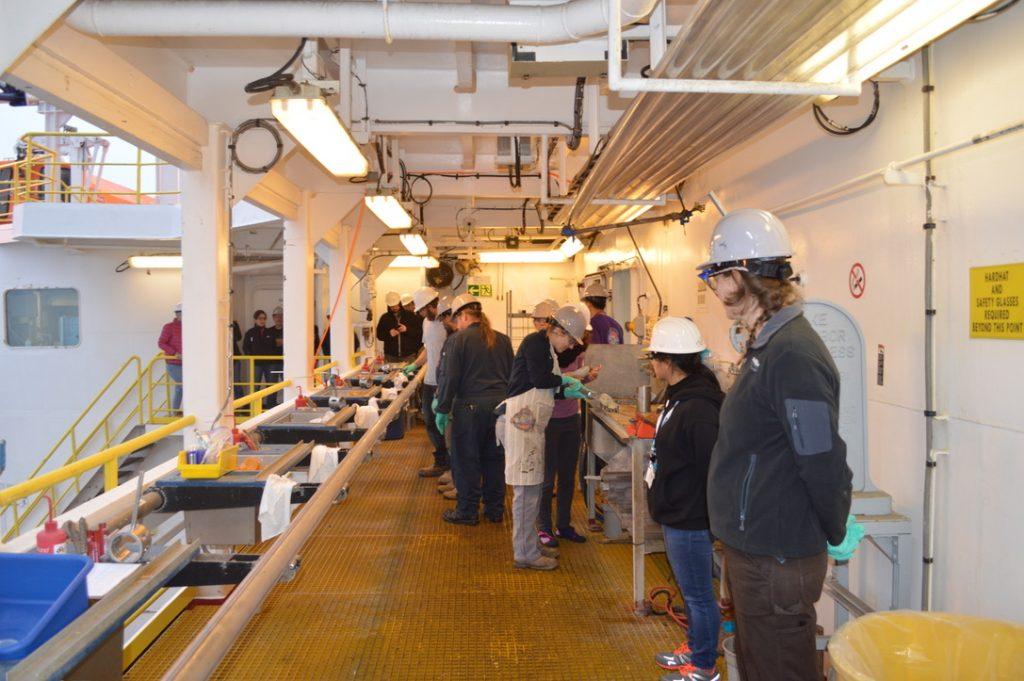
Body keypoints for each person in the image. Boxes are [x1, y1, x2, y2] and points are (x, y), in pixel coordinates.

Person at [700, 209, 853, 681]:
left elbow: (821, 458)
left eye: (717, 277)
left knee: (778, 669)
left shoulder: (791, 354)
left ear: (741, 277)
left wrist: (834, 527)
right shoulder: (769, 347)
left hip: (777, 554)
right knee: (761, 663)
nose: (716, 290)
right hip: (761, 549)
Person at [642, 318, 724, 681]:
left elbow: (712, 469)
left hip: (690, 517)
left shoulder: (699, 409)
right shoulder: (683, 396)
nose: (651, 365)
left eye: (654, 357)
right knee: (692, 593)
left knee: (699, 596)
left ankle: (704, 668)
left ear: (668, 361)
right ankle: (694, 648)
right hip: (678, 511)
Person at [503, 304, 590, 570]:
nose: (570, 347)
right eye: (570, 340)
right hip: (523, 423)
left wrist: (567, 391)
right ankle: (525, 553)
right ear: (559, 330)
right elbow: (541, 381)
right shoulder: (536, 343)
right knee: (526, 491)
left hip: (532, 425)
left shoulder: (547, 348)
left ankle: (529, 545)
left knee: (532, 488)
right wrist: (568, 381)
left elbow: (546, 387)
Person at [434, 294, 513, 526]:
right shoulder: (503, 340)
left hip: (469, 410)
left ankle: (467, 511)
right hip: (500, 409)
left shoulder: (457, 340)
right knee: (494, 460)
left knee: (467, 460)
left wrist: (442, 408)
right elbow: (512, 376)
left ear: (464, 316)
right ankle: (495, 509)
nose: (456, 325)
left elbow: (450, 377)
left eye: (456, 320)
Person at [538, 322, 599, 548]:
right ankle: (543, 527)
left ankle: (563, 524)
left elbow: (577, 384)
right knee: (546, 479)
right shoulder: (545, 352)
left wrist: (587, 379)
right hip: (548, 420)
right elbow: (546, 383)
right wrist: (572, 376)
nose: (572, 343)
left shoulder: (579, 353)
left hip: (570, 419)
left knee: (567, 477)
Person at [401, 287, 451, 477]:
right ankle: (441, 461)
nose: (421, 313)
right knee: (431, 423)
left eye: (423, 309)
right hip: (430, 381)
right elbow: (427, 349)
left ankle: (452, 466)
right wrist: (414, 365)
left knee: (447, 426)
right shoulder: (426, 323)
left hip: (445, 381)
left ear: (433, 305)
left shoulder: (448, 323)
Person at [242, 309, 279, 409]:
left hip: (270, 363)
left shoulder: (270, 332)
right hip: (256, 363)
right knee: (255, 385)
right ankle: (255, 407)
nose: (262, 321)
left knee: (271, 386)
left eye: (264, 318)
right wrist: (251, 357)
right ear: (255, 319)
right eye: (260, 318)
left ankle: (271, 406)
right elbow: (245, 347)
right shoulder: (250, 333)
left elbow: (275, 346)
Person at [376, 291, 419, 362]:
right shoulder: (385, 318)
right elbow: (379, 335)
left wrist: (407, 329)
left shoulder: (411, 316)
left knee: (410, 373)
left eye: (396, 305)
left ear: (399, 303)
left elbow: (419, 333)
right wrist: (389, 334)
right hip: (390, 356)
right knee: (391, 373)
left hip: (409, 356)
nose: (394, 308)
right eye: (392, 306)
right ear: (388, 305)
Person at [157, 303, 183, 412]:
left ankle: (175, 412)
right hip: (174, 364)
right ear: (177, 314)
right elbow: (161, 343)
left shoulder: (192, 327)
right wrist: (175, 353)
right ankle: (175, 412)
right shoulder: (169, 327)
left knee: (180, 387)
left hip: (189, 363)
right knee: (183, 385)